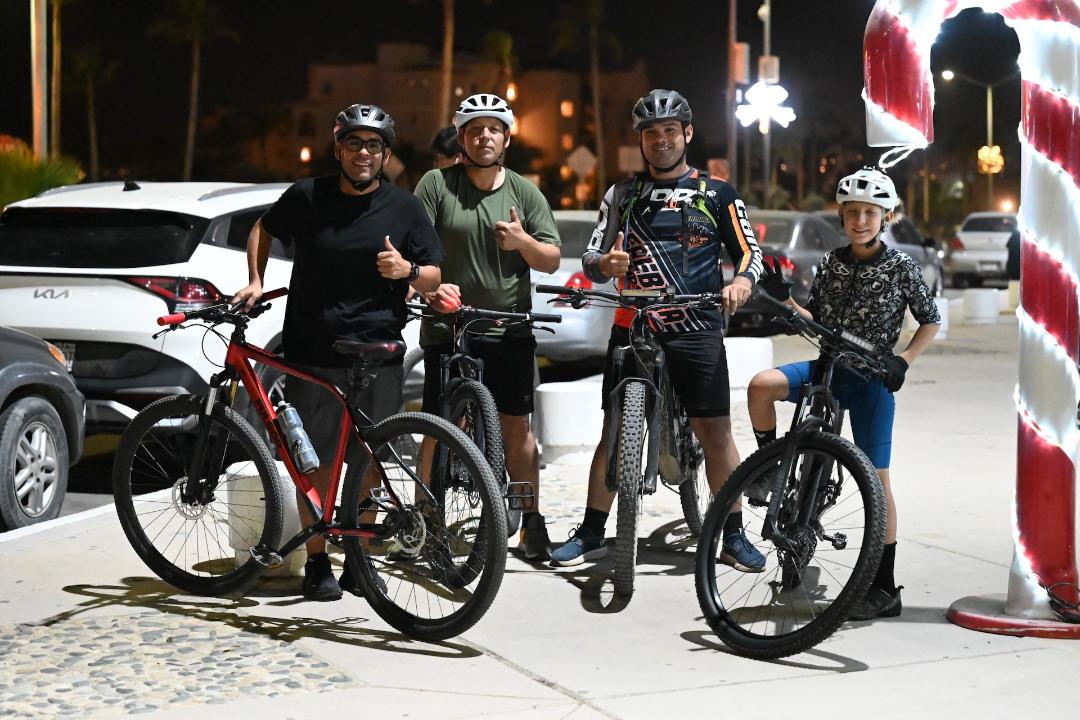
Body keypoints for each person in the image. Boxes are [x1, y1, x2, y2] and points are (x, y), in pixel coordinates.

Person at [232, 103, 443, 601]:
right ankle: (317, 561)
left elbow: (434, 275)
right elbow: (264, 227)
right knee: (317, 461)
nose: (363, 153)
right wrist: (256, 279)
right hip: (314, 350)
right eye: (354, 143)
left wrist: (408, 272)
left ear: (385, 154)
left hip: (378, 353)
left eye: (374, 145)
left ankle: (359, 561)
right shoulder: (308, 195)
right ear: (338, 149)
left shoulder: (405, 208)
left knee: (368, 463)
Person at [552, 89, 765, 570]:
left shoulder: (718, 194)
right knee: (612, 430)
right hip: (633, 324)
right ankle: (591, 531)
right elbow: (590, 259)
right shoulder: (621, 195)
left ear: (687, 134)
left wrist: (742, 283)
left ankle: (733, 534)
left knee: (714, 431)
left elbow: (750, 254)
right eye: (651, 132)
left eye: (670, 130)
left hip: (696, 325)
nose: (661, 139)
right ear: (641, 140)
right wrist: (605, 264)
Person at [747, 166, 941, 619]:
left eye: (870, 213)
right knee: (761, 386)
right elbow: (814, 317)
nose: (860, 221)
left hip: (872, 380)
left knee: (878, 482)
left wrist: (904, 360)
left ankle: (884, 588)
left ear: (886, 217)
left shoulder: (901, 266)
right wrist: (783, 299)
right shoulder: (832, 262)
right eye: (852, 212)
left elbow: (930, 320)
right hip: (826, 369)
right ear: (841, 216)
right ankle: (770, 470)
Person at [413, 93, 562, 561]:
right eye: (474, 129)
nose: (484, 136)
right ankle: (424, 520)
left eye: (493, 129)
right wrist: (429, 289)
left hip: (508, 329)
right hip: (448, 327)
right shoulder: (437, 184)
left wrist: (522, 242)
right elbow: (415, 250)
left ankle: (530, 521)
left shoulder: (524, 191)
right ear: (462, 138)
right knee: (438, 425)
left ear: (507, 138)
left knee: (517, 427)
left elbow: (551, 260)